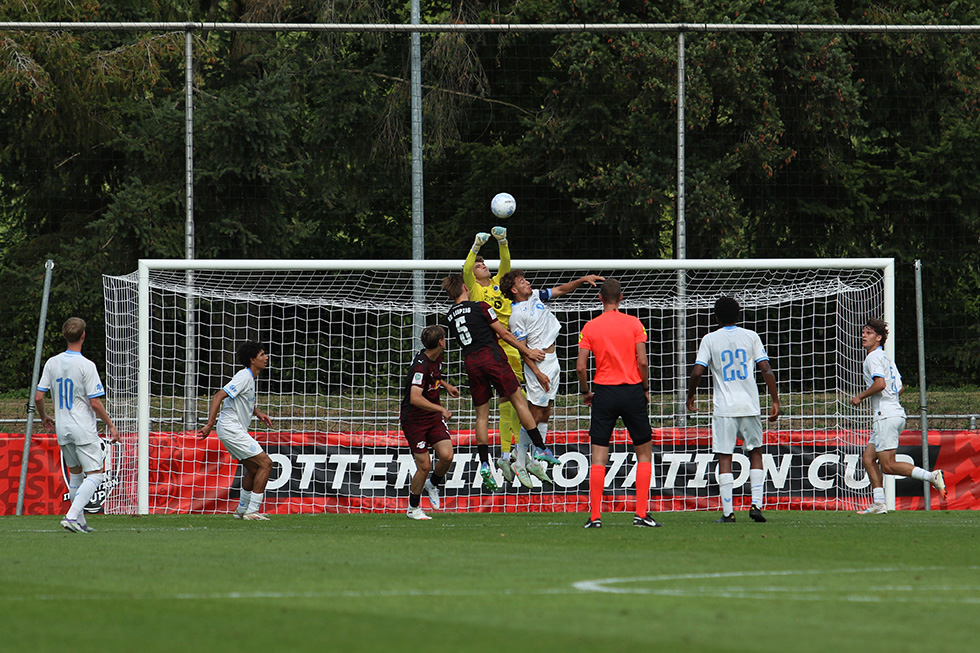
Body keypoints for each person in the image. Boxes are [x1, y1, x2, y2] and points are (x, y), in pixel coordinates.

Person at [441, 273, 560, 490]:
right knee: (519, 402)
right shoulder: (481, 306)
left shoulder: (449, 316)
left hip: (471, 363)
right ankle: (541, 448)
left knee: (482, 417)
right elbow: (505, 334)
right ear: (466, 288)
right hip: (493, 359)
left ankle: (485, 463)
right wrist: (526, 351)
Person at [500, 269, 604, 487]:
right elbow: (523, 349)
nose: (527, 283)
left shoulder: (536, 295)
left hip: (552, 359)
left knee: (546, 410)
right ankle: (520, 462)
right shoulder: (517, 314)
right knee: (534, 414)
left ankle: (537, 461)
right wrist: (537, 372)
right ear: (514, 290)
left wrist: (583, 280)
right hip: (538, 364)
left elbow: (561, 289)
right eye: (522, 281)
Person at [575, 279, 661, 528]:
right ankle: (641, 514)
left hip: (604, 393)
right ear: (621, 298)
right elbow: (643, 362)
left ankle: (595, 517)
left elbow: (581, 366)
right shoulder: (634, 323)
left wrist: (586, 392)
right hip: (632, 390)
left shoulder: (590, 327)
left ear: (600, 298)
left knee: (599, 455)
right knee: (644, 452)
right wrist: (644, 388)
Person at [685, 297, 780, 524]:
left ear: (716, 317)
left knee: (724, 456)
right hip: (749, 405)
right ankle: (756, 503)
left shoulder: (710, 339)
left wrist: (691, 395)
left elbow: (698, 372)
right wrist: (775, 399)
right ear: (738, 315)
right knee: (755, 451)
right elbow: (765, 368)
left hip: (725, 408)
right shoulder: (751, 336)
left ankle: (728, 513)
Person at [850, 319, 946, 514]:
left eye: (868, 333)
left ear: (878, 338)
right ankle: (879, 503)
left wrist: (860, 396)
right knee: (868, 458)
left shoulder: (873, 358)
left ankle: (931, 476)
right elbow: (899, 388)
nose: (863, 335)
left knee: (888, 465)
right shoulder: (886, 358)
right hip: (893, 413)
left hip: (886, 415)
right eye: (863, 332)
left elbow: (880, 384)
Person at [35, 317, 121, 534]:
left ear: (64, 336)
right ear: (83, 335)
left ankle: (79, 521)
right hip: (82, 428)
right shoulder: (87, 365)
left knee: (76, 474)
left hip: (62, 428)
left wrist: (44, 416)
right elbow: (94, 402)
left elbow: (38, 396)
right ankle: (72, 515)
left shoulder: (52, 362)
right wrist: (110, 425)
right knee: (95, 475)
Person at [463, 226, 525, 482]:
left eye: (483, 264)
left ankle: (514, 455)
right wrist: (476, 247)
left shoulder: (499, 285)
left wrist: (502, 242)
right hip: (494, 345)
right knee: (506, 401)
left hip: (513, 342)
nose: (483, 267)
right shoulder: (476, 290)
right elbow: (466, 269)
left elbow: (507, 264)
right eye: (479, 266)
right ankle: (507, 453)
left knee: (518, 399)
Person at [199, 341, 276, 520]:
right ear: (252, 359)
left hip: (231, 429)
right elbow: (219, 395)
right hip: (230, 428)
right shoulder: (244, 376)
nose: (266, 357)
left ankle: (242, 510)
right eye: (262, 355)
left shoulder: (249, 377)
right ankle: (253, 511)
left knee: (254, 468)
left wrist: (257, 413)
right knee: (266, 464)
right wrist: (209, 424)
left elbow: (242, 399)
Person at [400, 325, 460, 520]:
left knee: (447, 455)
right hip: (415, 420)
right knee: (424, 466)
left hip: (432, 417)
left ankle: (432, 484)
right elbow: (415, 397)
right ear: (441, 342)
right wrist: (441, 409)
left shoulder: (435, 357)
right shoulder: (420, 366)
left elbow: (433, 377)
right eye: (445, 337)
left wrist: (445, 384)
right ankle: (413, 508)